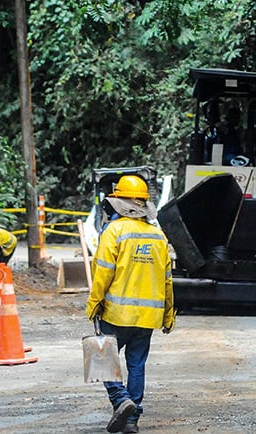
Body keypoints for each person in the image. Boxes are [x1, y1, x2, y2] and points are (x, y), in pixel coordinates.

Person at [85, 175, 175, 433]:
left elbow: (103, 273)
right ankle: (132, 420)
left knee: (103, 358)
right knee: (137, 365)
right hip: (148, 317)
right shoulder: (158, 237)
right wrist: (168, 315)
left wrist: (94, 304)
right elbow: (167, 280)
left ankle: (120, 399)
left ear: (120, 203)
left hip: (116, 313)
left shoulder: (114, 231)